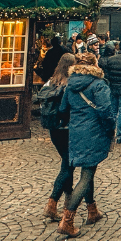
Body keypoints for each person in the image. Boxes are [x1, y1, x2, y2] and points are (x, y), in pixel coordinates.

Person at [57, 52, 113, 239]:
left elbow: (63, 109)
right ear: (95, 65)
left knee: (87, 171)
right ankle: (68, 219)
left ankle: (92, 210)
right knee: (87, 174)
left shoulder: (70, 85)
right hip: (94, 131)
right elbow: (106, 111)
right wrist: (109, 130)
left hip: (75, 131)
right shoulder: (98, 85)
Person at [42, 53, 86, 223]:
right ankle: (52, 204)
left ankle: (67, 200)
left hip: (54, 129)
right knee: (67, 166)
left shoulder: (51, 82)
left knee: (66, 163)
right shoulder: (71, 84)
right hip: (68, 128)